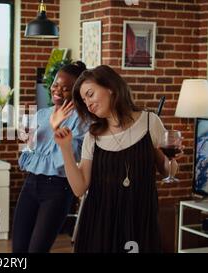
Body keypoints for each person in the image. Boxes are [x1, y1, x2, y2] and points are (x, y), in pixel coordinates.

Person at [51, 65, 182, 253]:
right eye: (84, 99)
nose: (88, 103)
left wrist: (173, 159)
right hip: (99, 223)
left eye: (90, 94)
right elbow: (80, 188)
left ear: (110, 87)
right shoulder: (92, 136)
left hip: (139, 219)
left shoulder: (149, 122)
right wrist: (65, 148)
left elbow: (168, 171)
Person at [12, 61, 88, 253]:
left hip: (58, 189)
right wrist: (26, 141)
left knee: (37, 249)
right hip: (30, 185)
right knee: (18, 249)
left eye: (66, 88)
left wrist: (56, 127)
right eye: (55, 85)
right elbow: (25, 156)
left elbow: (71, 157)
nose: (58, 91)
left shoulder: (83, 120)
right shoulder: (40, 114)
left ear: (77, 91)